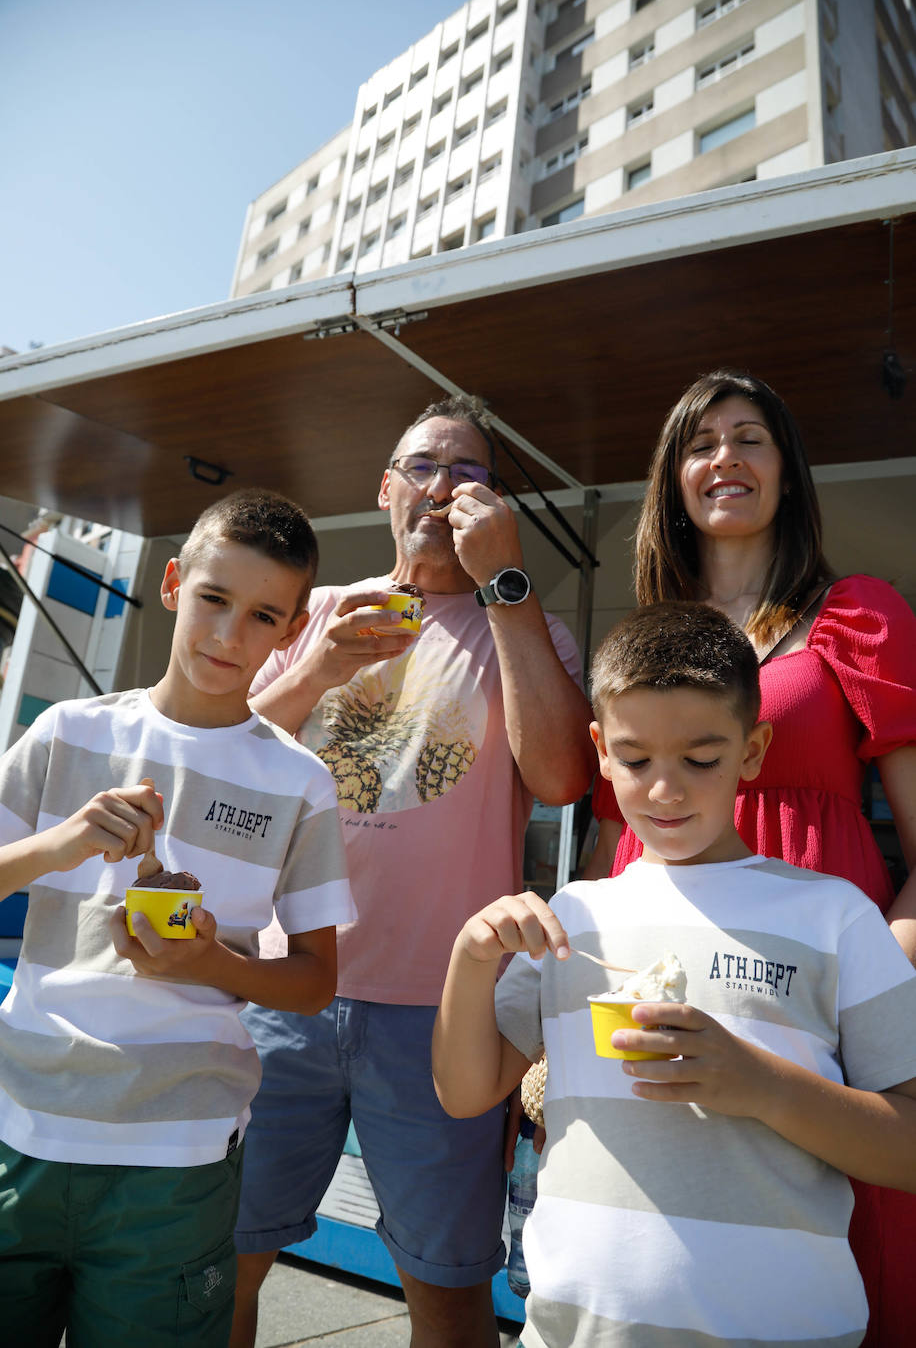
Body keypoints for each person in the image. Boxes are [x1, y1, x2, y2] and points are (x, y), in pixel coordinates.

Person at [433, 600, 916, 1348]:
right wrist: (470, 959)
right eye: (635, 759)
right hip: (574, 1334)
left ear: (753, 751)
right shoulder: (576, 916)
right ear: (600, 748)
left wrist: (760, 1085)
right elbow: (465, 1091)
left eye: (701, 758)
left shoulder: (835, 919)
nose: (666, 790)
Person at [231, 394, 596, 1348]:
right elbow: (221, 757)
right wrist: (315, 670)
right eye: (425, 466)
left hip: (444, 1015)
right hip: (284, 989)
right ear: (386, 487)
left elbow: (561, 775)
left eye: (469, 472)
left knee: (444, 1287)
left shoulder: (531, 629)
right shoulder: (311, 613)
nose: (443, 487)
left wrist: (504, 581)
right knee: (220, 1259)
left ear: (496, 502)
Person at [587, 369, 916, 1341]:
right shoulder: (644, 641)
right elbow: (620, 835)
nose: (723, 458)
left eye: (748, 438)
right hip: (666, 982)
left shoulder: (856, 614)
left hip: (825, 990)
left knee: (843, 1249)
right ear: (671, 480)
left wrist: (886, 964)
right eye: (699, 442)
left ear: (786, 472)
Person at [0, 488, 355, 1348]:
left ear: (293, 629)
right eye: (214, 599)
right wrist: (62, 846)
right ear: (171, 584)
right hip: (20, 1131)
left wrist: (209, 966)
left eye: (263, 614)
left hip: (178, 1159)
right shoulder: (67, 732)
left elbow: (314, 983)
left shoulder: (300, 781)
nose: (230, 636)